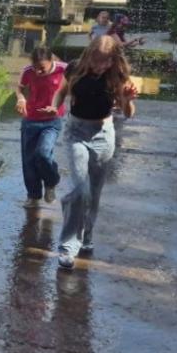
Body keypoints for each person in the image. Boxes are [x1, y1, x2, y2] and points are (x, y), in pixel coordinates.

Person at [50, 34, 137, 269]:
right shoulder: (75, 68)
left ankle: (87, 235)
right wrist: (55, 106)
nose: (100, 66)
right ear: (88, 54)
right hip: (76, 132)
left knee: (94, 193)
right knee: (80, 189)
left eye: (105, 62)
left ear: (113, 60)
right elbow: (61, 91)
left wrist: (127, 99)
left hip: (103, 134)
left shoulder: (118, 75)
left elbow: (129, 113)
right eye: (96, 61)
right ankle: (68, 246)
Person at [15, 45, 66, 207]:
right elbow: (20, 88)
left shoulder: (63, 69)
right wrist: (21, 99)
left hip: (52, 121)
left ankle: (51, 182)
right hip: (30, 120)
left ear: (51, 61)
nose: (37, 71)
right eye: (35, 67)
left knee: (43, 153)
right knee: (29, 160)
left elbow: (79, 78)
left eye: (42, 68)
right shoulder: (28, 71)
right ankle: (33, 195)